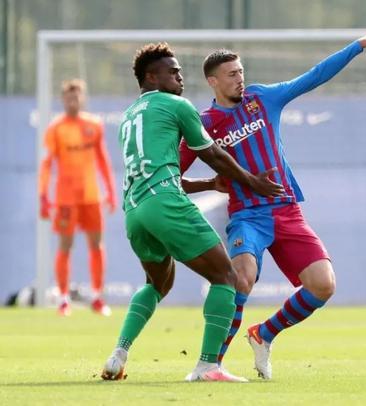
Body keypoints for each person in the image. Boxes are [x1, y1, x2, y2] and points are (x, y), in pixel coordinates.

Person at [179, 34, 366, 380]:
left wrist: (357, 46)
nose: (239, 78)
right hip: (248, 215)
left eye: (241, 71)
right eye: (231, 74)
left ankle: (264, 334)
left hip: (287, 210)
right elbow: (173, 173)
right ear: (212, 81)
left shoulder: (262, 98)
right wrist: (206, 185)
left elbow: (313, 76)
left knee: (323, 285)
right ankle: (211, 364)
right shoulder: (204, 124)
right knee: (241, 278)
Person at [100, 42, 285, 383]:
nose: (180, 78)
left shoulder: (128, 117)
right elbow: (213, 153)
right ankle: (207, 366)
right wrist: (251, 182)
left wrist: (209, 185)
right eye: (173, 72)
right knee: (226, 276)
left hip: (135, 210)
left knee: (157, 283)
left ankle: (118, 354)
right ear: (151, 76)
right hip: (166, 204)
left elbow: (165, 171)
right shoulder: (176, 105)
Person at [39, 79, 117, 317]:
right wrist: (43, 196)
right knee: (66, 245)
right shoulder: (55, 128)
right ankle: (63, 299)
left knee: (96, 245)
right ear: (63, 100)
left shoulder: (94, 124)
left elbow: (103, 159)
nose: (73, 101)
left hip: (91, 195)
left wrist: (111, 191)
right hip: (65, 197)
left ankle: (97, 297)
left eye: (77, 97)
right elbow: (46, 163)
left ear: (82, 99)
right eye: (69, 97)